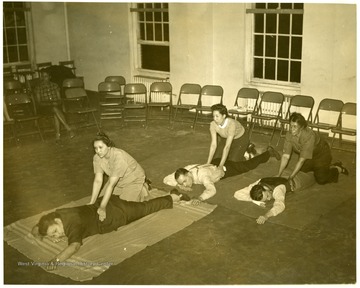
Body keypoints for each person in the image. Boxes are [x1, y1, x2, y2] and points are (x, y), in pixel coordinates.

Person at [31, 190, 189, 271]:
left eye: (56, 231)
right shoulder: (58, 214)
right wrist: (44, 233)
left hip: (118, 214)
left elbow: (74, 246)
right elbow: (39, 226)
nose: (58, 235)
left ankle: (174, 197)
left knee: (145, 208)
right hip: (107, 204)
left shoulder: (73, 225)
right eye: (54, 235)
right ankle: (145, 186)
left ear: (58, 221)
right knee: (140, 204)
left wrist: (56, 260)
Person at [163, 146, 281, 205]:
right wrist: (179, 186)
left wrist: (200, 198)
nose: (185, 184)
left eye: (184, 181)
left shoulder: (203, 177)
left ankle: (268, 153)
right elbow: (166, 179)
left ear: (188, 174)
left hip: (226, 169)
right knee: (236, 159)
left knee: (247, 166)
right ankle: (248, 150)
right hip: (215, 162)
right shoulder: (187, 169)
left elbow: (211, 189)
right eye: (182, 182)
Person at [89, 132, 151, 221]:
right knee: (99, 201)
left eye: (100, 147)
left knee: (124, 210)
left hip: (133, 180)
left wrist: (102, 208)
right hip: (117, 180)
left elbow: (111, 185)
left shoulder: (118, 157)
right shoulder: (97, 158)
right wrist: (92, 202)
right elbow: (98, 181)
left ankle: (142, 188)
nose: (98, 151)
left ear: (109, 146)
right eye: (95, 148)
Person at [276, 112, 349, 184]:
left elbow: (301, 161)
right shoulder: (289, 135)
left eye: (295, 126)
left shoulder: (309, 136)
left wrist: (290, 178)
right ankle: (323, 167)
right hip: (308, 156)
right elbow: (285, 156)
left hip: (321, 154)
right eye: (290, 126)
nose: (292, 129)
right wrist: (279, 175)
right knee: (302, 172)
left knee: (321, 179)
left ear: (301, 127)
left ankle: (337, 168)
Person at [233, 171, 316, 225]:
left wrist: (266, 216)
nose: (269, 199)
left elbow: (280, 205)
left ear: (265, 189)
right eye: (266, 199)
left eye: (268, 196)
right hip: (285, 176)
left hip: (298, 182)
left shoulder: (277, 190)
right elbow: (237, 194)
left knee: (316, 175)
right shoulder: (257, 184)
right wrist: (255, 201)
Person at [206, 104, 256, 171]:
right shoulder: (213, 124)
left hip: (240, 139)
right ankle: (237, 152)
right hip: (225, 139)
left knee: (232, 163)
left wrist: (221, 166)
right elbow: (213, 145)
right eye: (213, 116)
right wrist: (208, 163)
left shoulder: (231, 124)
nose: (215, 119)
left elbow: (227, 147)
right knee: (215, 160)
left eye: (217, 116)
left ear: (224, 116)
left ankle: (247, 153)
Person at [34, 70, 75, 143]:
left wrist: (56, 103)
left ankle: (58, 136)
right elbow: (39, 102)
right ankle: (68, 129)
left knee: (56, 112)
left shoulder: (55, 85)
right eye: (42, 76)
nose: (44, 78)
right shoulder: (38, 87)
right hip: (44, 107)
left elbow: (59, 99)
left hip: (55, 106)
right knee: (55, 109)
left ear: (49, 77)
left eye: (46, 76)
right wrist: (50, 104)